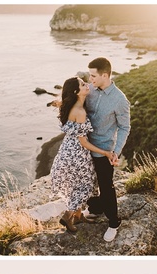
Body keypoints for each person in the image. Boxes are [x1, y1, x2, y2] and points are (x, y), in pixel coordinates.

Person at [51, 76, 116, 233]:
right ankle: (68, 216)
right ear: (76, 91)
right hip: (77, 154)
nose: (87, 85)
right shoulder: (79, 112)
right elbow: (84, 142)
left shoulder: (72, 106)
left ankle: (79, 215)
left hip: (67, 151)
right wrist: (105, 152)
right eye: (82, 84)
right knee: (85, 185)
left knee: (78, 183)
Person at [81, 57, 131, 243]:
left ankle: (113, 222)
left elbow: (125, 128)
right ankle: (95, 209)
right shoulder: (90, 89)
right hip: (84, 147)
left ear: (104, 75)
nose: (90, 78)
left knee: (106, 186)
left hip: (104, 150)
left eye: (93, 75)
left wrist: (116, 151)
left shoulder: (120, 100)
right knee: (88, 182)